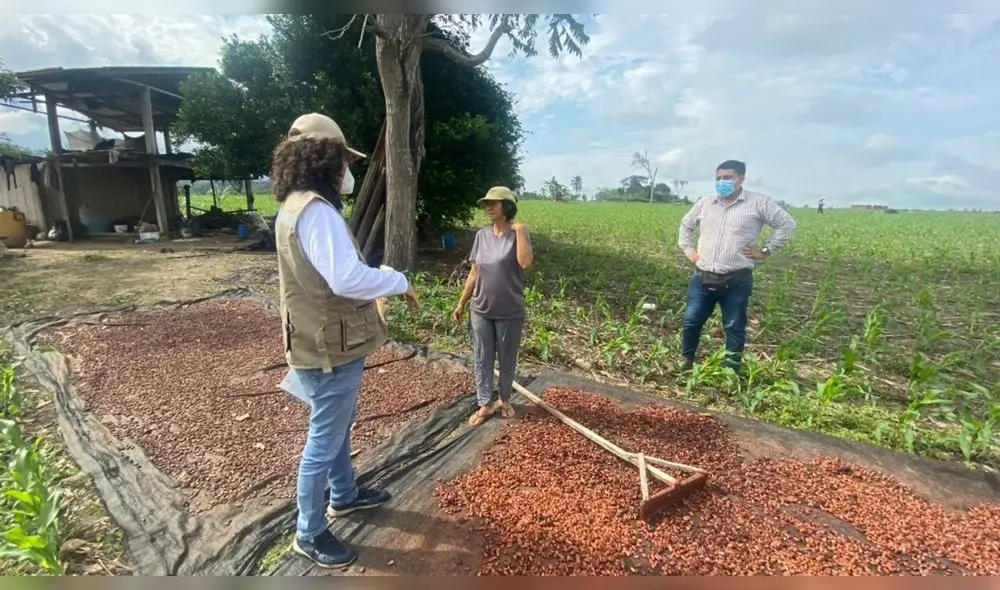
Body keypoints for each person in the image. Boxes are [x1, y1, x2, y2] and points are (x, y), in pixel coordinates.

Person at [272, 112, 419, 569]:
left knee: (336, 423)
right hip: (329, 349)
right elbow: (346, 278)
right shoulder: (316, 211)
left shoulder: (293, 206)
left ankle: (346, 493)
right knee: (324, 436)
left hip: (316, 339)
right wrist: (396, 279)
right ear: (325, 158)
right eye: (343, 160)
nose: (347, 171)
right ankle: (309, 531)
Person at [677, 160, 797, 373]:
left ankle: (731, 371)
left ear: (740, 179)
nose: (722, 182)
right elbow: (686, 225)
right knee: (691, 321)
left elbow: (787, 225)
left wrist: (766, 251)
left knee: (734, 328)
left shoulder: (758, 203)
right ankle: (685, 361)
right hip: (703, 276)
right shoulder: (706, 203)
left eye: (728, 177)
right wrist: (688, 250)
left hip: (736, 280)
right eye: (718, 178)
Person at [452, 186, 534, 427]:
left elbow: (525, 262)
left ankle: (505, 400)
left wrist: (520, 231)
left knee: (507, 359)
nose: (488, 207)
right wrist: (461, 303)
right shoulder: (481, 236)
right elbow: (474, 272)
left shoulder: (518, 233)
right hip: (481, 308)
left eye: (493, 203)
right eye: (486, 203)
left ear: (507, 207)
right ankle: (485, 403)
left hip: (509, 310)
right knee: (481, 357)